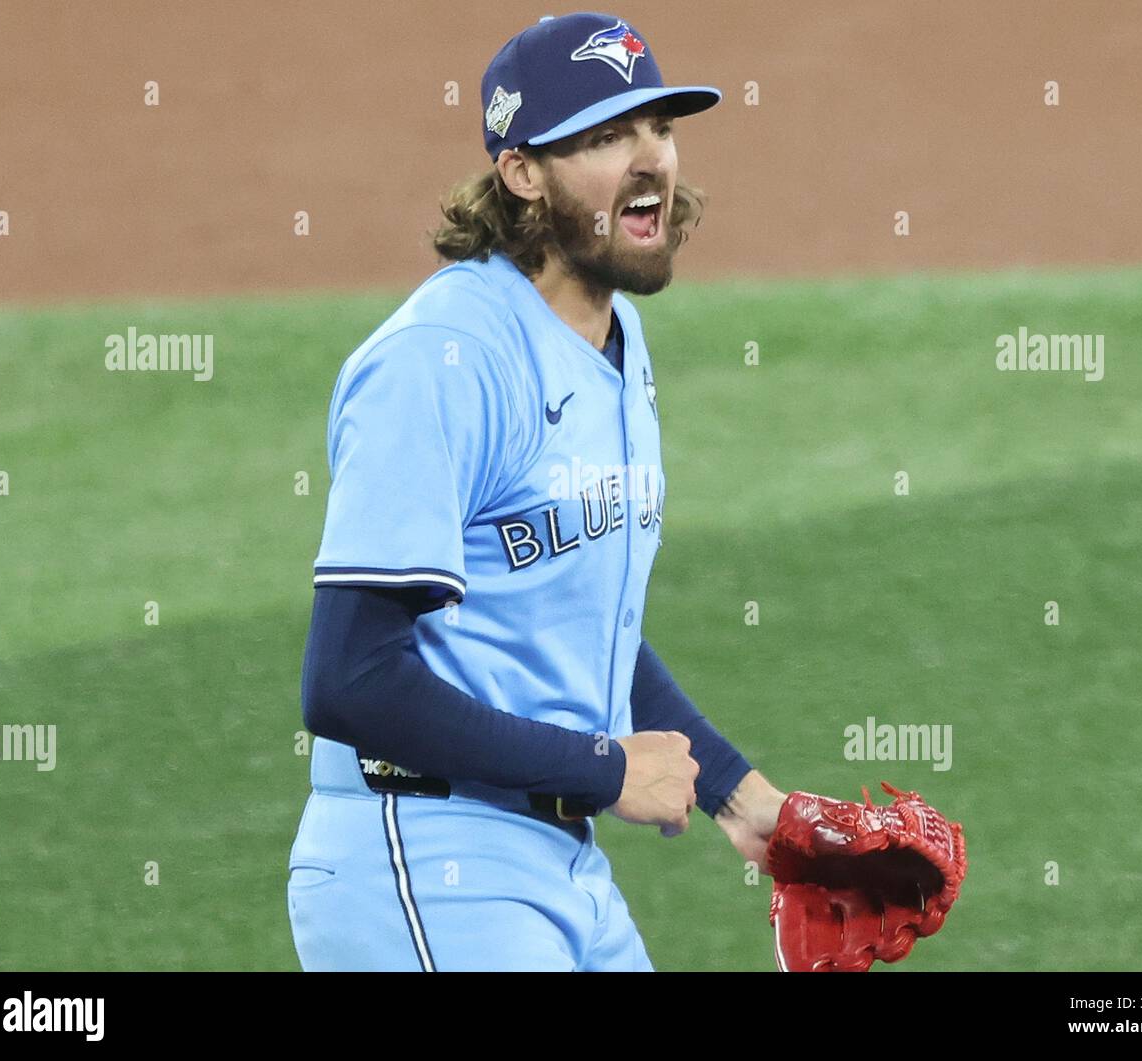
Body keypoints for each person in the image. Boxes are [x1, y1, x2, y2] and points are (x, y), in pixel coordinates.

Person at [287, 11, 788, 972]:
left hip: (559, 862)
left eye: (660, 127)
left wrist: (745, 799)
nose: (651, 159)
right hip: (424, 857)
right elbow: (348, 679)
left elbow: (573, 624)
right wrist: (603, 767)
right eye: (606, 136)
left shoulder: (615, 341)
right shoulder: (445, 359)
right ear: (521, 171)